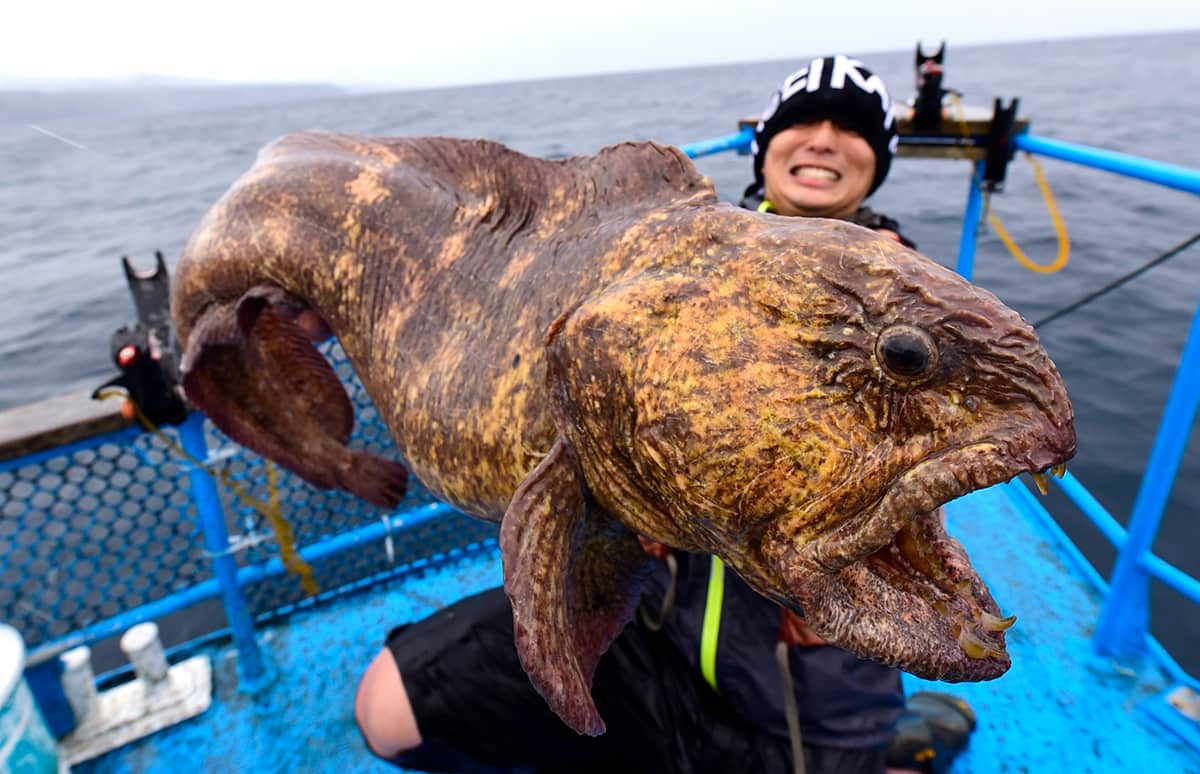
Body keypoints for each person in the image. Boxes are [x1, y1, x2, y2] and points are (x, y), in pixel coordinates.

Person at [354, 55, 975, 774]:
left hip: (796, 700)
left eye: (853, 129)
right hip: (657, 623)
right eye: (803, 120)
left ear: (878, 164)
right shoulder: (670, 266)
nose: (824, 139)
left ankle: (899, 749)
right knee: (388, 706)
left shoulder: (913, 336)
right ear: (766, 144)